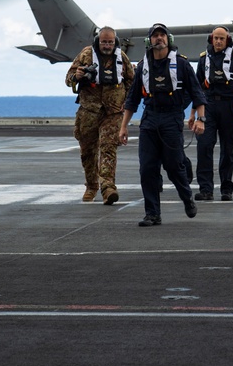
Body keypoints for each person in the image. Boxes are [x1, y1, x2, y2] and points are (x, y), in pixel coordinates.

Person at [119, 24, 206, 227]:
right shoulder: (143, 66)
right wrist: (123, 127)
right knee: (147, 168)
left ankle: (186, 197)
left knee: (173, 166)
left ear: (169, 39)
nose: (159, 39)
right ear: (150, 41)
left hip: (172, 118)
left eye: (162, 35)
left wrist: (201, 119)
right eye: (155, 36)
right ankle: (152, 214)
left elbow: (197, 94)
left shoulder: (183, 65)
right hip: (149, 119)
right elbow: (132, 99)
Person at [66, 26, 134, 205]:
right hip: (89, 111)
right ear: (98, 40)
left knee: (108, 148)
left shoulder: (122, 58)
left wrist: (126, 101)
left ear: (115, 42)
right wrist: (77, 76)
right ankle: (91, 185)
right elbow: (68, 78)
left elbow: (131, 80)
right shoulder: (86, 54)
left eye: (110, 42)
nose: (107, 45)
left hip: (112, 113)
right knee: (87, 151)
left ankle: (108, 187)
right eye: (104, 42)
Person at [192, 26, 233, 201]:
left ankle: (226, 188)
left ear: (227, 40)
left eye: (222, 38)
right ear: (211, 39)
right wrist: (193, 114)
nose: (218, 41)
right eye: (216, 38)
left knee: (227, 149)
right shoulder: (204, 60)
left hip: (229, 106)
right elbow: (197, 88)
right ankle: (206, 189)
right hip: (208, 106)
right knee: (204, 147)